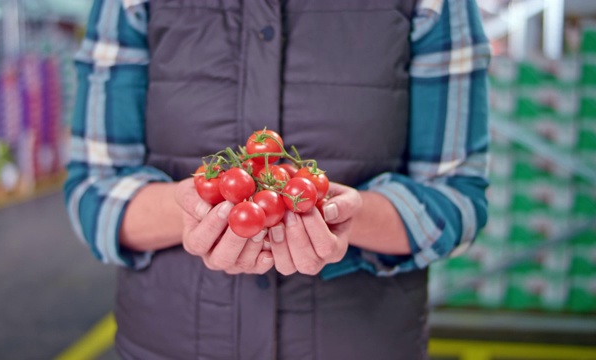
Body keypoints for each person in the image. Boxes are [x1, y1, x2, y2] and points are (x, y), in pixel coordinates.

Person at [64, 0, 491, 358]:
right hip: (167, 341)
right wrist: (193, 210)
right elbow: (94, 192)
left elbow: (456, 198)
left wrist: (348, 218)